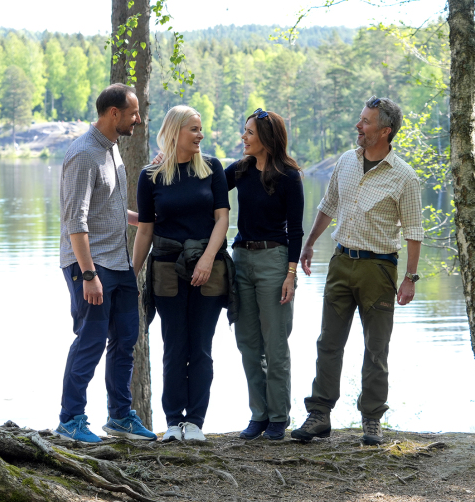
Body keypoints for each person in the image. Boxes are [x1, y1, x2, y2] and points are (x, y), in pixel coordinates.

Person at [291, 96, 424, 445]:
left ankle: (371, 420)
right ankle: (319, 415)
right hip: (340, 263)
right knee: (328, 343)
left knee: (376, 348)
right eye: (360, 119)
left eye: (365, 122)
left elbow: (413, 232)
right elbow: (327, 205)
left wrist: (410, 278)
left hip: (378, 269)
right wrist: (309, 244)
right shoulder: (346, 162)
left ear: (385, 131)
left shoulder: (404, 177)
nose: (358, 126)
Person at [56, 83, 156, 443]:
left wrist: (142, 218)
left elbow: (106, 208)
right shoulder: (84, 154)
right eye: (133, 113)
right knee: (91, 340)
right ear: (114, 113)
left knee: (126, 339)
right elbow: (76, 222)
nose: (138, 119)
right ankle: (70, 419)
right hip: (91, 267)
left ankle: (119, 417)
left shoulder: (111, 150)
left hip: (119, 264)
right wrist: (88, 275)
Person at [133, 105, 232, 442]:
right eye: (193, 128)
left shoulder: (213, 169)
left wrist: (206, 259)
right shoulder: (151, 176)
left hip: (210, 269)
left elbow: (222, 219)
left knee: (201, 348)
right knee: (174, 347)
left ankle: (196, 423)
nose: (200, 135)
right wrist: (133, 273)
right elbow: (145, 230)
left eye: (200, 128)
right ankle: (174, 422)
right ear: (175, 131)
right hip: (165, 270)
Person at [224, 109, 304, 441]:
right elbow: (204, 185)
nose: (243, 137)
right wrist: (166, 159)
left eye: (249, 133)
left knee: (275, 345)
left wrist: (290, 274)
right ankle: (258, 415)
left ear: (266, 139)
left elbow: (297, 230)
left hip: (275, 262)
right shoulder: (240, 170)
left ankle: (278, 417)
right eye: (244, 132)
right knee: (247, 343)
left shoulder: (288, 175)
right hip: (241, 260)